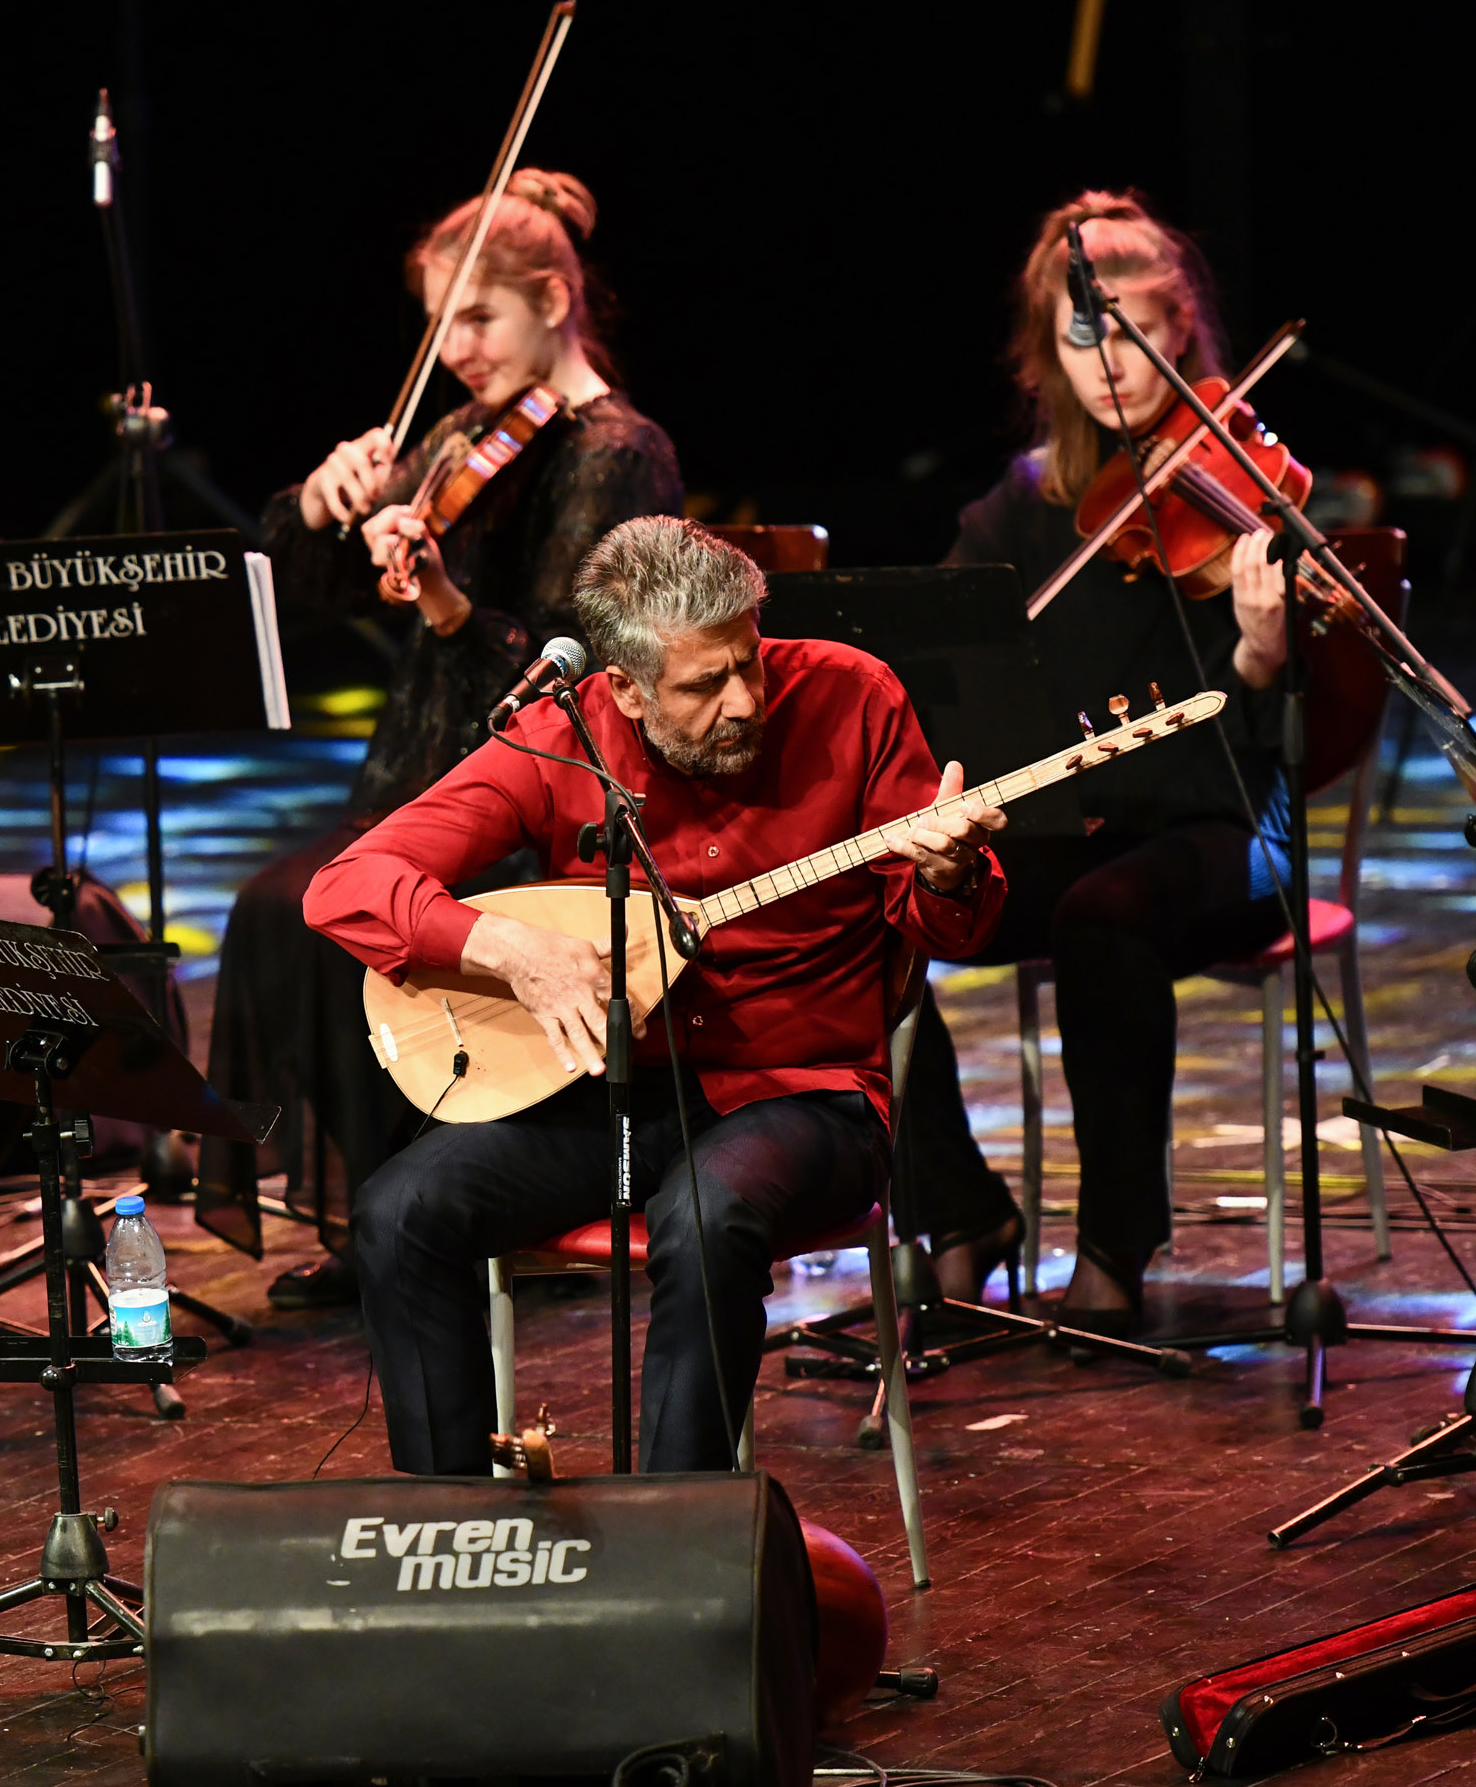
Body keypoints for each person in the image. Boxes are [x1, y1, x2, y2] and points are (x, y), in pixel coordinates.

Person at [307, 517, 1007, 1475]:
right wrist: (505, 946)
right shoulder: (562, 736)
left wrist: (949, 875)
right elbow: (344, 887)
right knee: (399, 1211)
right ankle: (456, 1537)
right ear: (625, 689)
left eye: (747, 663)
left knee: (706, 1215)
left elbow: (947, 932)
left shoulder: (852, 695)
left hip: (804, 1096)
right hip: (620, 1100)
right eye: (703, 684)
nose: (744, 700)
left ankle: (676, 1541)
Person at [201, 170, 681, 1305]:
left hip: (544, 801)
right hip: (422, 774)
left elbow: (570, 671)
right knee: (288, 907)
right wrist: (324, 504)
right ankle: (390, 1210)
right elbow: (321, 579)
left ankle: (438, 1206)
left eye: (478, 317)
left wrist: (454, 606)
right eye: (438, 322)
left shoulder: (617, 449)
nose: (455, 346)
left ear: (554, 303)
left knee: (313, 906)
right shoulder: (467, 431)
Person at [894, 191, 1293, 1332]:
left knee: (1105, 917)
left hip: (1218, 827)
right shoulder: (1020, 507)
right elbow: (944, 653)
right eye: (1083, 332)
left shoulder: (1235, 482)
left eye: (1134, 327)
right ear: (1046, 350)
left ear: (1181, 334)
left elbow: (1271, 722)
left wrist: (1264, 647)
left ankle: (1118, 1240)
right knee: (880, 913)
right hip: (1065, 829)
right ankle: (963, 1212)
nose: (1110, 358)